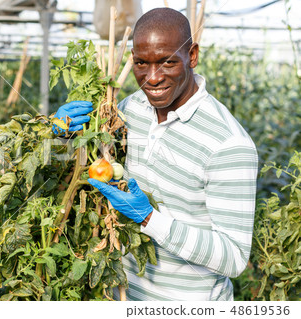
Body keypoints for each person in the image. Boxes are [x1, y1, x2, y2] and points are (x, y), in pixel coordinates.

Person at [54, 8, 258, 301]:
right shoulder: (130, 108)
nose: (152, 78)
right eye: (141, 63)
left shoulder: (228, 144)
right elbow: (94, 163)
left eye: (167, 62)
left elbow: (234, 258)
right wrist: (66, 135)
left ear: (193, 56)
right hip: (119, 294)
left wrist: (150, 218)